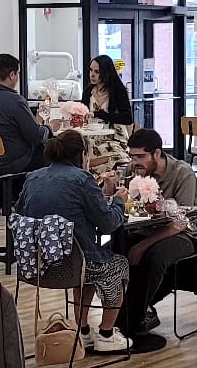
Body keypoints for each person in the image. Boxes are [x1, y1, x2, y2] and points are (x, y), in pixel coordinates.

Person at [15, 130, 133, 353]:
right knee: (117, 264)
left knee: (86, 263)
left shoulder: (33, 178)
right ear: (82, 155)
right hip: (75, 266)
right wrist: (118, 201)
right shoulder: (82, 179)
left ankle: (83, 330)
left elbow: (21, 212)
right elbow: (108, 223)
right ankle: (106, 334)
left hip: (38, 265)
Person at [119, 127, 197, 336]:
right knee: (114, 247)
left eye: (140, 157)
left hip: (182, 234)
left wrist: (142, 246)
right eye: (132, 157)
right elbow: (133, 213)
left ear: (157, 153)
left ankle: (134, 318)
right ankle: (119, 314)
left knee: (155, 255)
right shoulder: (133, 171)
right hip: (146, 229)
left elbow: (181, 222)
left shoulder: (182, 173)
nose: (135, 162)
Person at [0, 53, 48, 177]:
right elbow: (37, 136)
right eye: (18, 74)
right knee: (49, 150)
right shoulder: (15, 101)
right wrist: (48, 128)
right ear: (12, 75)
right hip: (11, 164)